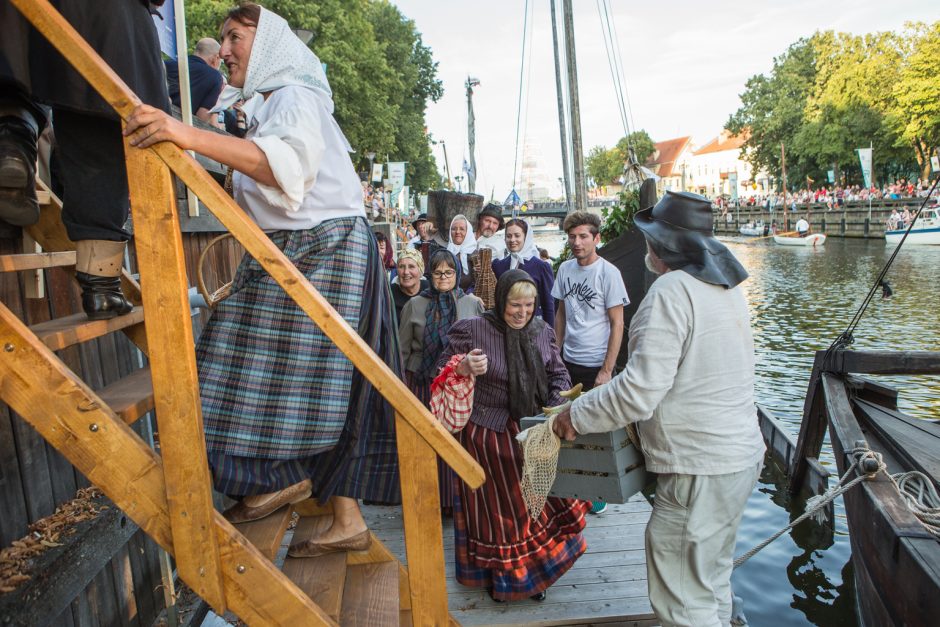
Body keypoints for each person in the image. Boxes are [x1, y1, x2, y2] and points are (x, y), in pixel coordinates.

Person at [124, 3, 401, 556]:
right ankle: (304, 494)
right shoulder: (273, 100)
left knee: (242, 357)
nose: (223, 50)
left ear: (268, 43)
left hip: (325, 248)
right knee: (323, 384)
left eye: (234, 37)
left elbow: (281, 167)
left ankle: (286, 485)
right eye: (222, 39)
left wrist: (184, 135)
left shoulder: (293, 98)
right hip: (310, 246)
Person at [553, 191, 765, 627]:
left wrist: (574, 415)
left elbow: (638, 390)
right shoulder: (724, 290)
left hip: (698, 468)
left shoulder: (670, 292)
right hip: (740, 458)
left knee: (684, 602)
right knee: (712, 581)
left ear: (660, 246)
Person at [0, 0, 170, 319]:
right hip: (111, 23)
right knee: (98, 151)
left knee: (15, 76)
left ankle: (13, 143)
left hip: (21, 13)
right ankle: (101, 289)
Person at [439, 270, 589, 602]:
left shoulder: (542, 330)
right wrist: (462, 367)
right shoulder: (474, 329)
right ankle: (505, 580)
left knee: (535, 507)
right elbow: (440, 369)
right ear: (500, 300)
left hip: (533, 430)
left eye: (529, 305)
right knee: (500, 515)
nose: (522, 313)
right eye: (514, 305)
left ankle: (536, 577)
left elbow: (558, 373)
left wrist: (552, 408)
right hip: (487, 435)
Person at [398, 250, 483, 510]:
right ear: (430, 275)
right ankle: (428, 499)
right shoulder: (415, 305)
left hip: (460, 383)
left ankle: (458, 500)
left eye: (449, 272)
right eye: (437, 272)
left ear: (457, 274)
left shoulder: (471, 303)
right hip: (422, 380)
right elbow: (402, 350)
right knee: (426, 441)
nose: (443, 277)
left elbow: (482, 345)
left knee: (459, 441)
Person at [492, 218, 555, 326]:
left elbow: (548, 305)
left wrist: (550, 335)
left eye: (517, 235)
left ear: (525, 237)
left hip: (534, 325)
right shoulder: (498, 265)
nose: (512, 240)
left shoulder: (541, 267)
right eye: (508, 236)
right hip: (504, 325)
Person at [164, 38, 225, 124]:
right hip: (179, 129)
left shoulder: (167, 64)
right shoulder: (215, 77)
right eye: (221, 62)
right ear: (216, 58)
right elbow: (203, 118)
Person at [390, 248, 427, 321]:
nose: (406, 272)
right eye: (401, 267)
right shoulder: (389, 294)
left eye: (411, 267)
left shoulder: (430, 290)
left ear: (420, 270)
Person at [447, 214, 477, 292]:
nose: (457, 232)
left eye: (462, 229)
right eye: (454, 229)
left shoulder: (475, 254)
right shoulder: (445, 253)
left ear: (468, 232)